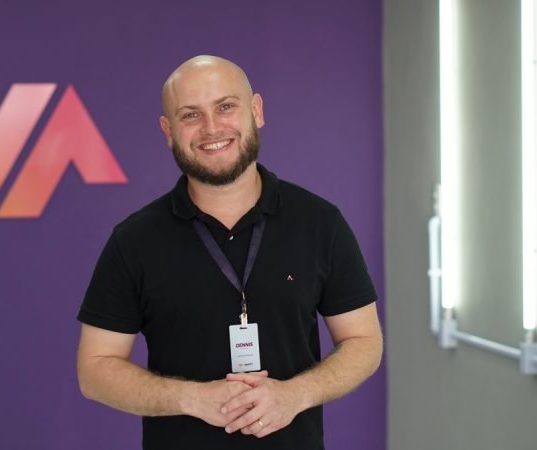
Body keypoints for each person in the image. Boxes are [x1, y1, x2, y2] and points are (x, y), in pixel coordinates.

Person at [76, 55, 382, 450]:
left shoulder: (320, 222)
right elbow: (94, 370)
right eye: (190, 115)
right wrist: (192, 399)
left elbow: (364, 341)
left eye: (225, 107)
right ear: (168, 131)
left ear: (256, 110)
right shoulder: (134, 240)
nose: (211, 128)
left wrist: (295, 395)